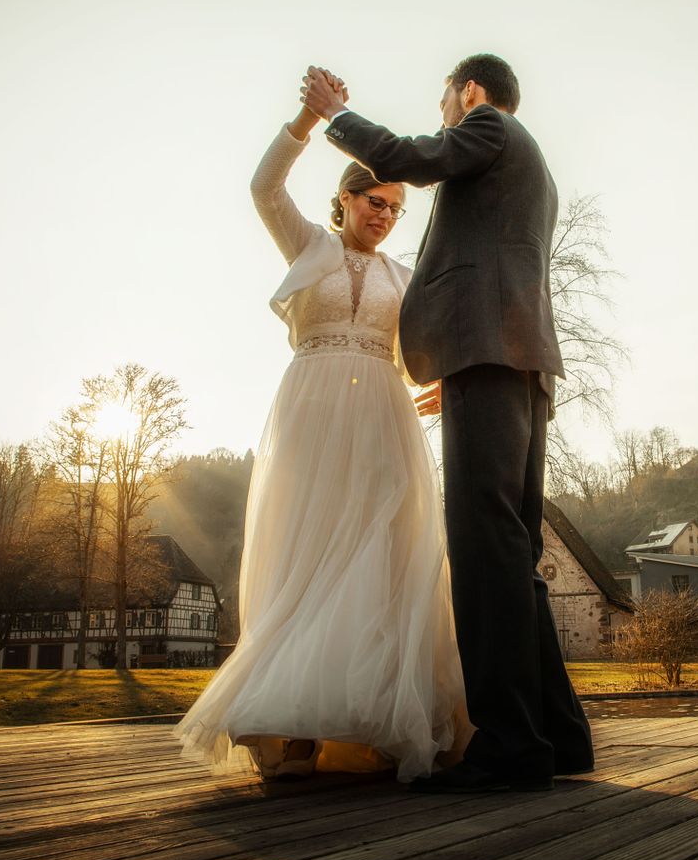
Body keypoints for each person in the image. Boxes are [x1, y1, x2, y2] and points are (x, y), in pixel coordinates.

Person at [301, 53, 593, 793]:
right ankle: (557, 736)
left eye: (444, 99)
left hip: (489, 359)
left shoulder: (489, 125)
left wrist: (337, 114)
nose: (442, 114)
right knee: (514, 552)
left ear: (469, 91)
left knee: (482, 544)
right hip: (519, 363)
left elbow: (408, 158)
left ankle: (507, 744)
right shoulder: (534, 170)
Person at [172, 92, 466, 782]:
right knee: (306, 554)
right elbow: (264, 187)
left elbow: (438, 336)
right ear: (345, 199)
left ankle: (375, 721)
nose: (385, 215)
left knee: (378, 555)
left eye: (395, 207)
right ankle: (291, 730)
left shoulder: (404, 276)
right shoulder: (309, 245)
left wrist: (451, 380)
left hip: (384, 423)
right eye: (374, 201)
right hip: (310, 414)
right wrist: (307, 120)